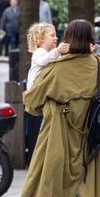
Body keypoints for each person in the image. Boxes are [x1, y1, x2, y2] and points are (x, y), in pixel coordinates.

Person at [21, 19, 100, 197]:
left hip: (57, 134)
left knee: (50, 185)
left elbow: (32, 101)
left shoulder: (56, 68)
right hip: (87, 136)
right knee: (83, 186)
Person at [23, 22, 67, 162]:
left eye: (56, 35)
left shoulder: (50, 54)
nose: (56, 38)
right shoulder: (39, 53)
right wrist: (58, 51)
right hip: (36, 93)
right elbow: (43, 61)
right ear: (41, 39)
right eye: (52, 35)